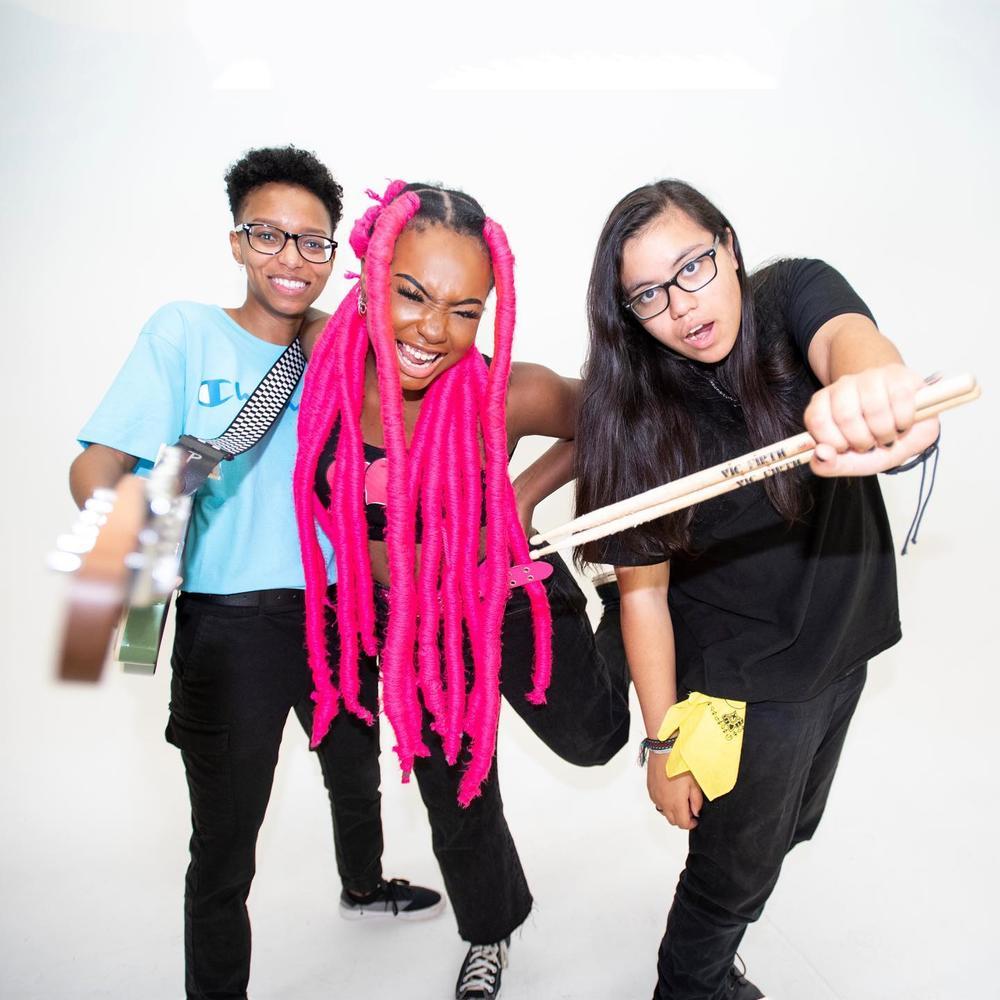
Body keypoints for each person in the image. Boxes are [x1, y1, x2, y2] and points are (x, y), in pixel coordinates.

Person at [69, 147, 444, 1000]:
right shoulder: (184, 330)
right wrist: (122, 524)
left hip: (342, 606)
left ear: (334, 254)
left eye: (314, 243)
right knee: (226, 840)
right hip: (231, 623)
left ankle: (363, 882)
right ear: (237, 241)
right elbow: (97, 464)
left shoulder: (340, 348)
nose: (290, 258)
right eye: (268, 235)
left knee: (355, 762)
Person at [573, 179, 939, 1000]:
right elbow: (642, 597)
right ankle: (691, 986)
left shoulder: (790, 296)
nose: (682, 305)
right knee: (731, 871)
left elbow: (851, 341)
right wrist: (664, 744)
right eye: (648, 295)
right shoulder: (633, 417)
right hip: (738, 685)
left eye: (695, 266)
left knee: (786, 833)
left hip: (841, 642)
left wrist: (871, 387)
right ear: (628, 313)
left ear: (729, 247)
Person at [294, 180, 630, 1000]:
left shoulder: (504, 392)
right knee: (458, 793)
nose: (432, 330)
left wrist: (524, 493)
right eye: (411, 294)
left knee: (596, 743)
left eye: (464, 308)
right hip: (416, 631)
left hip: (509, 596)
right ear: (369, 273)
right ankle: (490, 933)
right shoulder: (320, 366)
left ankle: (626, 606)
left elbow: (609, 417)